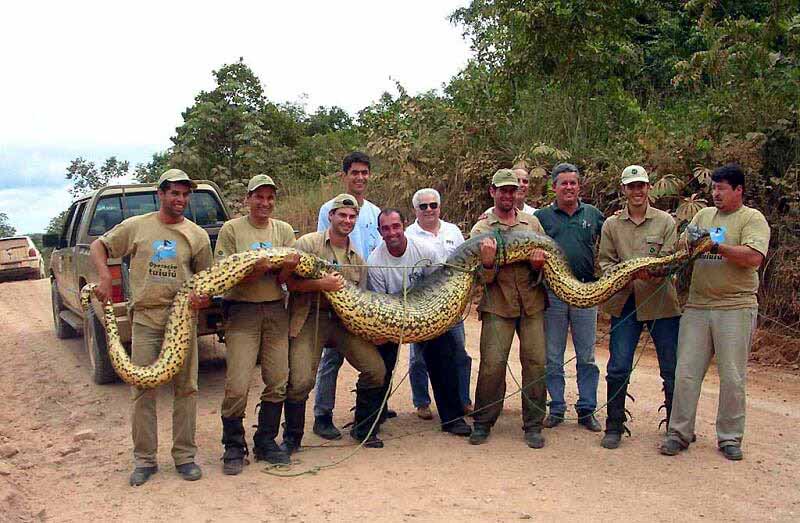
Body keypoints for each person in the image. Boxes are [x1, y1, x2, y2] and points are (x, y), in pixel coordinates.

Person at [89, 169, 212, 486]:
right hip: (145, 317)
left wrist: (203, 299)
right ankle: (144, 460)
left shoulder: (197, 235)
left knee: (187, 388)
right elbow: (98, 247)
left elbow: (205, 282)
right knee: (143, 389)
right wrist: (105, 277)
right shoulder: (137, 227)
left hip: (182, 319)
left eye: (185, 194)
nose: (180, 199)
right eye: (174, 193)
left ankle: (184, 457)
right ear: (161, 194)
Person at [661, 164, 770, 461]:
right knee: (685, 372)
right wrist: (690, 240)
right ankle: (678, 433)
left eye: (722, 188)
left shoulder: (752, 219)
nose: (716, 194)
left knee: (732, 377)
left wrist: (717, 246)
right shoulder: (703, 215)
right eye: (714, 188)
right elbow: (683, 246)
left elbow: (754, 258)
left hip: (735, 306)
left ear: (738, 190)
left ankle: (730, 438)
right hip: (697, 306)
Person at [282, 194, 387, 451]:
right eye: (342, 215)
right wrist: (320, 285)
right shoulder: (308, 244)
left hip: (343, 323)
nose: (347, 220)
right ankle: (291, 439)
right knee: (301, 380)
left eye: (352, 217)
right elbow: (290, 283)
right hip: (311, 317)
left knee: (376, 370)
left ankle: (363, 429)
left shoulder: (357, 258)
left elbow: (362, 300)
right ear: (331, 215)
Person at [215, 174, 299, 474]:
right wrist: (254, 270)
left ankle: (266, 441)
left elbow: (284, 280)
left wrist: (285, 270)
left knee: (278, 379)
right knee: (237, 383)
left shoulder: (284, 230)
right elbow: (226, 276)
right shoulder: (231, 230)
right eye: (259, 197)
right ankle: (234, 445)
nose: (265, 203)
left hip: (276, 309)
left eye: (270, 197)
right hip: (242, 311)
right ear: (248, 198)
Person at [367, 208, 472, 436]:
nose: (392, 233)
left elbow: (440, 282)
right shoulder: (375, 261)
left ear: (404, 225)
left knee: (446, 356)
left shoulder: (425, 249)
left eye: (396, 226)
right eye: (386, 228)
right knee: (380, 363)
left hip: (426, 312)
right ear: (379, 232)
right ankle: (374, 416)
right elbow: (381, 302)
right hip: (393, 317)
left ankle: (452, 418)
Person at [597, 165, 680, 449]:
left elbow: (671, 260)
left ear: (649, 188)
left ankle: (676, 428)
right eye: (631, 186)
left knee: (671, 367)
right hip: (625, 302)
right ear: (624, 190)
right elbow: (605, 262)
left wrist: (653, 272)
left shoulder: (666, 221)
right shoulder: (611, 224)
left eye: (641, 185)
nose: (637, 191)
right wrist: (624, 274)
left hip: (662, 303)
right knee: (618, 366)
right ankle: (614, 426)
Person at [468, 169, 548, 448]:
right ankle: (482, 421)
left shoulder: (532, 223)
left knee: (537, 363)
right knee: (492, 364)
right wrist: (488, 264)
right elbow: (478, 277)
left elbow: (548, 263)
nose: (507, 195)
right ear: (492, 191)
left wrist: (539, 265)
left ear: (518, 193)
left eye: (512, 190)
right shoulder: (481, 229)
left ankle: (534, 424)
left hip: (532, 303)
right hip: (497, 304)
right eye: (502, 190)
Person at [313, 152, 382, 440]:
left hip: (367, 290)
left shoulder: (375, 212)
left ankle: (370, 412)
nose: (360, 177)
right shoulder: (328, 208)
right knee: (332, 357)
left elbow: (378, 251)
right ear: (345, 176)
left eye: (365, 172)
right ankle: (322, 414)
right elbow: (321, 250)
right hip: (337, 292)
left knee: (372, 355)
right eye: (355, 172)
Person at [535, 163, 605, 432]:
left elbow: (612, 236)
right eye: (563, 183)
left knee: (586, 355)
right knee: (552, 355)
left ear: (579, 186)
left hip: (586, 292)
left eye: (573, 183)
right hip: (552, 295)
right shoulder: (541, 218)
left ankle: (587, 408)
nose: (568, 188)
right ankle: (557, 408)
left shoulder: (594, 215)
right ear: (554, 187)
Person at [406, 188, 473, 418]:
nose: (429, 210)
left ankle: (463, 400)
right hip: (422, 305)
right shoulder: (408, 234)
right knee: (418, 357)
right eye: (423, 206)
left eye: (433, 205)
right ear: (415, 210)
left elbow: (467, 263)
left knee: (459, 353)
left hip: (452, 304)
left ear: (439, 207)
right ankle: (422, 402)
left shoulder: (453, 231)